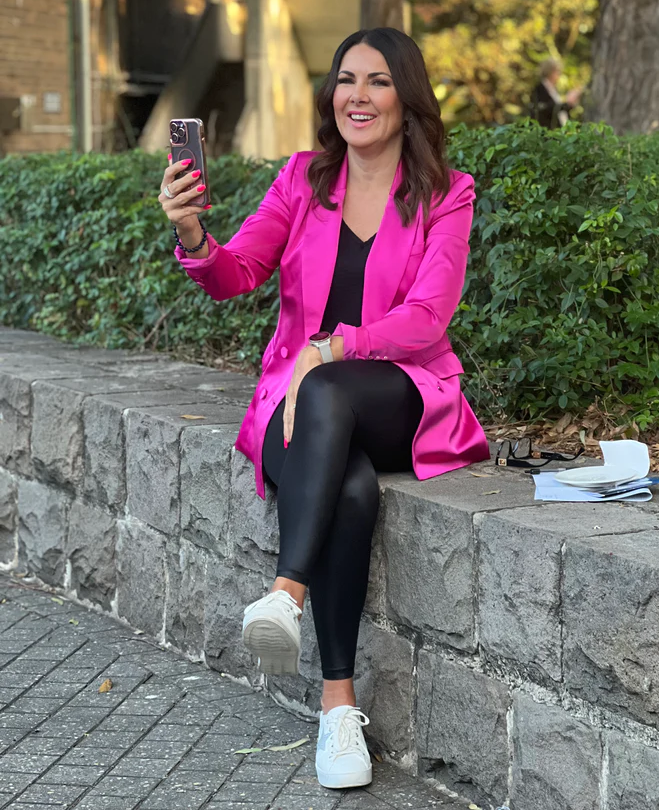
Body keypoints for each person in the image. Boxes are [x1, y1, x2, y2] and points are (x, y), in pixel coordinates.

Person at [158, 27, 490, 790]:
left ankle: (287, 593)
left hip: (400, 393)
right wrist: (192, 233)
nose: (357, 96)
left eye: (378, 81)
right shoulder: (303, 180)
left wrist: (333, 347)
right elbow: (236, 272)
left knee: (329, 387)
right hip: (300, 408)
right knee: (352, 487)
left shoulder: (447, 193)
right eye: (346, 79)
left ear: (407, 100)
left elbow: (427, 318)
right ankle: (338, 710)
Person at [531, 57, 582, 129]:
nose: (559, 74)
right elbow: (547, 110)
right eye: (557, 71)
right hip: (547, 130)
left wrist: (570, 104)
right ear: (550, 72)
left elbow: (559, 111)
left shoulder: (553, 89)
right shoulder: (539, 89)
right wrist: (567, 103)